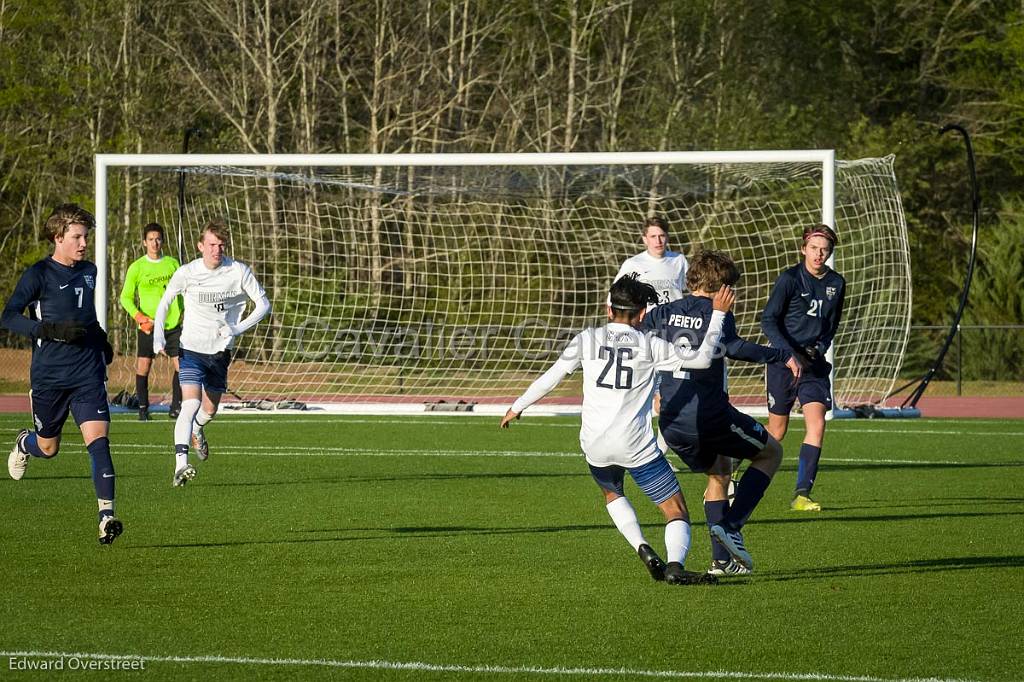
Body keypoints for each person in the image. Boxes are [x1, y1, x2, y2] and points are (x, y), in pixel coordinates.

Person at [501, 274, 735, 585]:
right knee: (675, 508)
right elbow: (704, 359)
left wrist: (517, 406)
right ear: (641, 315)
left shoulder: (586, 339)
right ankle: (675, 565)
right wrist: (718, 313)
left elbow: (552, 377)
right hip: (634, 446)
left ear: (609, 309)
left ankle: (642, 547)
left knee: (612, 493)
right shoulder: (651, 344)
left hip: (594, 444)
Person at [644, 250, 797, 575]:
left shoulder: (663, 312)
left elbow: (640, 341)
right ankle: (732, 525)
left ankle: (722, 561)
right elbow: (735, 347)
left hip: (671, 419)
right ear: (722, 287)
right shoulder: (718, 312)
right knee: (771, 453)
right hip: (709, 414)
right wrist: (780, 354)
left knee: (719, 472)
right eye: (732, 287)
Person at [2, 203, 122, 544]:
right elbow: (8, 317)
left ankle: (106, 516)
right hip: (50, 377)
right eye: (77, 237)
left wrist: (102, 341)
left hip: (87, 372)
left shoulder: (90, 271)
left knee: (98, 442)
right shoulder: (37, 274)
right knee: (48, 448)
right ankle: (25, 442)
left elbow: (88, 316)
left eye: (86, 236)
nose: (84, 243)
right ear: (58, 237)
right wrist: (48, 330)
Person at [152, 219, 271, 487]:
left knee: (209, 408)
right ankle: (181, 464)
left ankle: (198, 429)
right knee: (190, 404)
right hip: (191, 348)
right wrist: (158, 335)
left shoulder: (238, 271)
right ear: (200, 245)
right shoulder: (187, 272)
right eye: (211, 245)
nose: (216, 250)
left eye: (221, 245)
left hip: (219, 353)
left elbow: (264, 304)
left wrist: (237, 329)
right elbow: (165, 302)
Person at [761, 224, 846, 512]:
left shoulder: (837, 283)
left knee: (817, 424)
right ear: (803, 249)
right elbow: (768, 320)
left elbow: (831, 325)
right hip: (783, 363)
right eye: (814, 248)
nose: (819, 254)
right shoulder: (789, 279)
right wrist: (787, 354)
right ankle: (733, 464)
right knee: (777, 431)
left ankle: (802, 494)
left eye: (824, 249)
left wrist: (820, 346)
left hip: (813, 367)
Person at [119, 222, 183, 421]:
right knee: (143, 367)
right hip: (149, 326)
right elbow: (125, 297)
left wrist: (185, 313)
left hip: (172, 326)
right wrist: (139, 317)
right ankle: (143, 408)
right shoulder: (137, 267)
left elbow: (184, 292)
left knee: (181, 365)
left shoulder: (173, 264)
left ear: (162, 241)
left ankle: (176, 407)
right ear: (144, 242)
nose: (155, 243)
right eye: (150, 239)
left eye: (158, 239)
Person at [612, 216, 688, 306]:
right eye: (653, 236)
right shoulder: (632, 264)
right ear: (645, 239)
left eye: (662, 236)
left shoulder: (679, 260)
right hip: (647, 319)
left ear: (667, 237)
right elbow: (613, 294)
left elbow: (695, 289)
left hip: (674, 318)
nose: (658, 241)